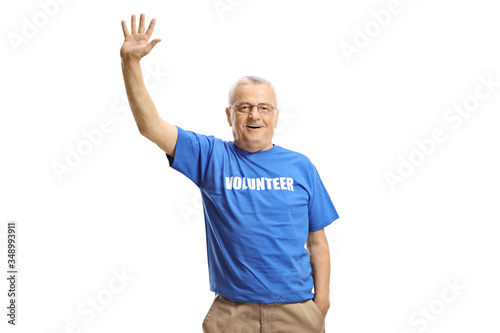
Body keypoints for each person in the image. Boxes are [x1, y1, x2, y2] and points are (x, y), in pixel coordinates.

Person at [120, 13, 340, 333]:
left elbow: (318, 242)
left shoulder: (301, 166)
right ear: (229, 114)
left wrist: (320, 306)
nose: (254, 115)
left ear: (275, 117)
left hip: (296, 311)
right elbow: (150, 126)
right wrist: (130, 63)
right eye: (244, 106)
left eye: (264, 107)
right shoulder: (211, 156)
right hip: (233, 315)